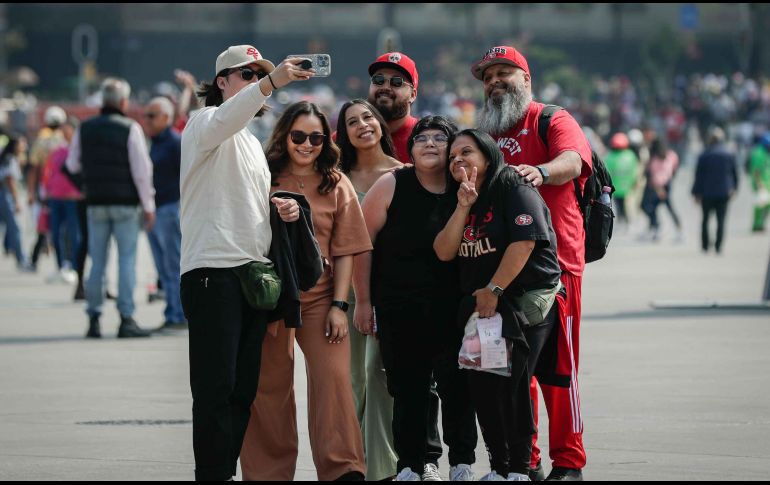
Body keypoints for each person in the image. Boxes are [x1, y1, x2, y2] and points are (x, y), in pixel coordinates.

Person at [180, 45, 309, 481]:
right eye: (247, 74)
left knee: (242, 391)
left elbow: (247, 202)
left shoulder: (253, 144)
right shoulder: (202, 123)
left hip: (253, 274)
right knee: (215, 390)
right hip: (211, 272)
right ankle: (212, 474)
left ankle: (224, 472)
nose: (256, 80)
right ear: (222, 81)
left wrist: (280, 210)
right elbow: (225, 118)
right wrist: (274, 81)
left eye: (260, 74)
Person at [472, 45, 593, 481]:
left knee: (558, 371)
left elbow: (573, 161)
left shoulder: (550, 118)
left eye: (505, 72)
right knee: (511, 371)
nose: (495, 81)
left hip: (555, 267)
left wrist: (540, 172)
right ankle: (529, 458)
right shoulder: (484, 129)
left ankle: (569, 461)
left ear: (527, 79)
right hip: (502, 270)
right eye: (488, 76)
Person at [240, 101, 370, 481]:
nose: (307, 144)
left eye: (316, 137)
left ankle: (344, 469)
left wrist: (339, 305)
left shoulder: (336, 181)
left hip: (320, 296)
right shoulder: (262, 175)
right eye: (299, 136)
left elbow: (346, 249)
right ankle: (268, 473)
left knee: (334, 382)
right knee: (269, 388)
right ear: (284, 136)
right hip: (272, 296)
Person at [434, 128, 561, 481]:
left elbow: (525, 242)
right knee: (484, 388)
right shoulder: (459, 195)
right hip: (483, 310)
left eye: (467, 152)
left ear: (488, 156)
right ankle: (500, 468)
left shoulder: (512, 186)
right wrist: (463, 205)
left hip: (522, 302)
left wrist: (494, 288)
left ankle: (520, 469)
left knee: (512, 384)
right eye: (453, 156)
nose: (457, 159)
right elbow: (444, 251)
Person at [357, 116, 478, 482]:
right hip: (398, 306)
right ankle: (413, 463)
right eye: (420, 138)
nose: (428, 143)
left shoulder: (468, 187)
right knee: (408, 389)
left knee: (458, 386)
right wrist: (363, 301)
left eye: (439, 138)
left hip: (454, 307)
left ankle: (461, 462)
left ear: (453, 148)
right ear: (409, 150)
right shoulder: (392, 183)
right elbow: (361, 245)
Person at [336, 98, 401, 481]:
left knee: (378, 377)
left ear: (380, 124)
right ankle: (352, 464)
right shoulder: (333, 175)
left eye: (368, 117)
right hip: (340, 294)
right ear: (342, 133)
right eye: (351, 122)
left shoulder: (403, 174)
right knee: (350, 382)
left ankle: (383, 468)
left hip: (385, 295)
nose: (362, 125)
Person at [66, 78, 156, 339]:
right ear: (123, 102)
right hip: (126, 204)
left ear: (103, 102)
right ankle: (126, 318)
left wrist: (85, 185)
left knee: (97, 261)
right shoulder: (131, 129)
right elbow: (142, 172)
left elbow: (72, 165)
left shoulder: (85, 128)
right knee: (126, 260)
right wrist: (148, 205)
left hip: (95, 203)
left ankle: (94, 318)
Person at [142, 96, 185, 331]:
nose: (146, 120)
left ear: (167, 118)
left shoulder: (175, 143)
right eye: (146, 115)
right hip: (154, 210)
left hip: (170, 209)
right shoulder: (154, 143)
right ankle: (172, 312)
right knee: (163, 268)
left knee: (173, 265)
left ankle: (178, 315)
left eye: (152, 116)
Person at [42, 115, 83, 286]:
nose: (64, 132)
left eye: (68, 129)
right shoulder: (57, 151)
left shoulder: (80, 150)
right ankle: (61, 266)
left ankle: (75, 267)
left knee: (74, 233)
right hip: (56, 197)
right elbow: (48, 173)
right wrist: (46, 192)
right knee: (56, 233)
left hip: (73, 198)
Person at [28, 106, 67, 273]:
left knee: (43, 225)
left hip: (44, 188)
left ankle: (34, 260)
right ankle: (62, 263)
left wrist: (31, 191)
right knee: (59, 226)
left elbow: (34, 169)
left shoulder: (40, 141)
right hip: (60, 189)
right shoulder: (63, 141)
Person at [691, 127, 738, 254]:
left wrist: (695, 193)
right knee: (721, 220)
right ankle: (718, 246)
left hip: (707, 193)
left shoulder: (704, 155)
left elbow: (698, 176)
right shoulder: (728, 154)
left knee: (706, 219)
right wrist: (734, 188)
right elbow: (734, 174)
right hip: (724, 192)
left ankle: (705, 245)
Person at [367, 52, 419, 164]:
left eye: (397, 82)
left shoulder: (426, 141)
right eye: (378, 80)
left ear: (413, 95)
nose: (385, 87)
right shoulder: (345, 138)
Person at [640, 137, 684, 243]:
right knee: (668, 208)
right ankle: (678, 232)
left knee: (648, 206)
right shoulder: (672, 155)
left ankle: (656, 229)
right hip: (667, 184)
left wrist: (659, 190)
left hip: (657, 187)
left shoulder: (654, 159)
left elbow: (653, 176)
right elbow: (674, 168)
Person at [0, 135, 32, 271]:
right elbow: (10, 180)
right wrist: (16, 200)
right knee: (15, 228)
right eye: (21, 143)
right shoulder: (10, 159)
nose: (24, 146)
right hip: (5, 194)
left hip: (4, 193)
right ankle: (22, 259)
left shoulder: (7, 158)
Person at [603, 132, 640, 228]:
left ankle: (627, 221)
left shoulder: (611, 156)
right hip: (622, 186)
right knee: (620, 205)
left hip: (620, 186)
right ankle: (623, 221)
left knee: (624, 205)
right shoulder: (629, 155)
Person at [749, 133, 770, 232]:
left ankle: (761, 223)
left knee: (767, 205)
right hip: (761, 184)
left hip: (768, 183)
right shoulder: (759, 153)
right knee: (760, 204)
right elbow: (756, 171)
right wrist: (759, 183)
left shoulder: (766, 152)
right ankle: (757, 224)